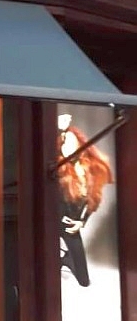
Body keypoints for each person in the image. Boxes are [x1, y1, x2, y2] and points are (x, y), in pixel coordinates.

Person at [57, 117, 113, 288]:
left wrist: (81, 222)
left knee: (83, 280)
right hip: (52, 220)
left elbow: (92, 201)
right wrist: (60, 129)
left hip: (71, 226)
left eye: (71, 142)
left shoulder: (89, 170)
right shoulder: (58, 168)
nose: (68, 147)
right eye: (64, 143)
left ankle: (65, 259)